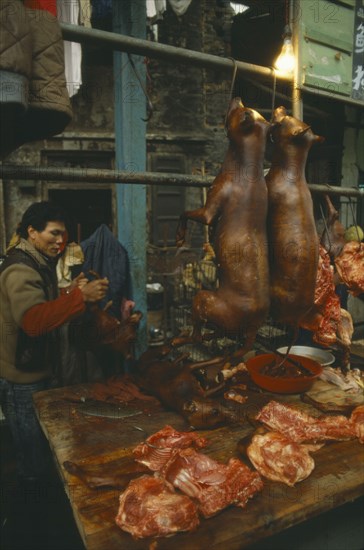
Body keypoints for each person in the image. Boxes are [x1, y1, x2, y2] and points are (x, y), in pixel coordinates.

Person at [0, 201, 109, 483]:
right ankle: (33, 512)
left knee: (42, 447)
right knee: (32, 455)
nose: (61, 241)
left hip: (35, 370)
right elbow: (34, 322)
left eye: (64, 235)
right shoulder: (21, 270)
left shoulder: (37, 261)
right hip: (22, 379)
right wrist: (80, 298)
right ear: (32, 232)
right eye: (54, 233)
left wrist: (70, 290)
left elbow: (43, 300)